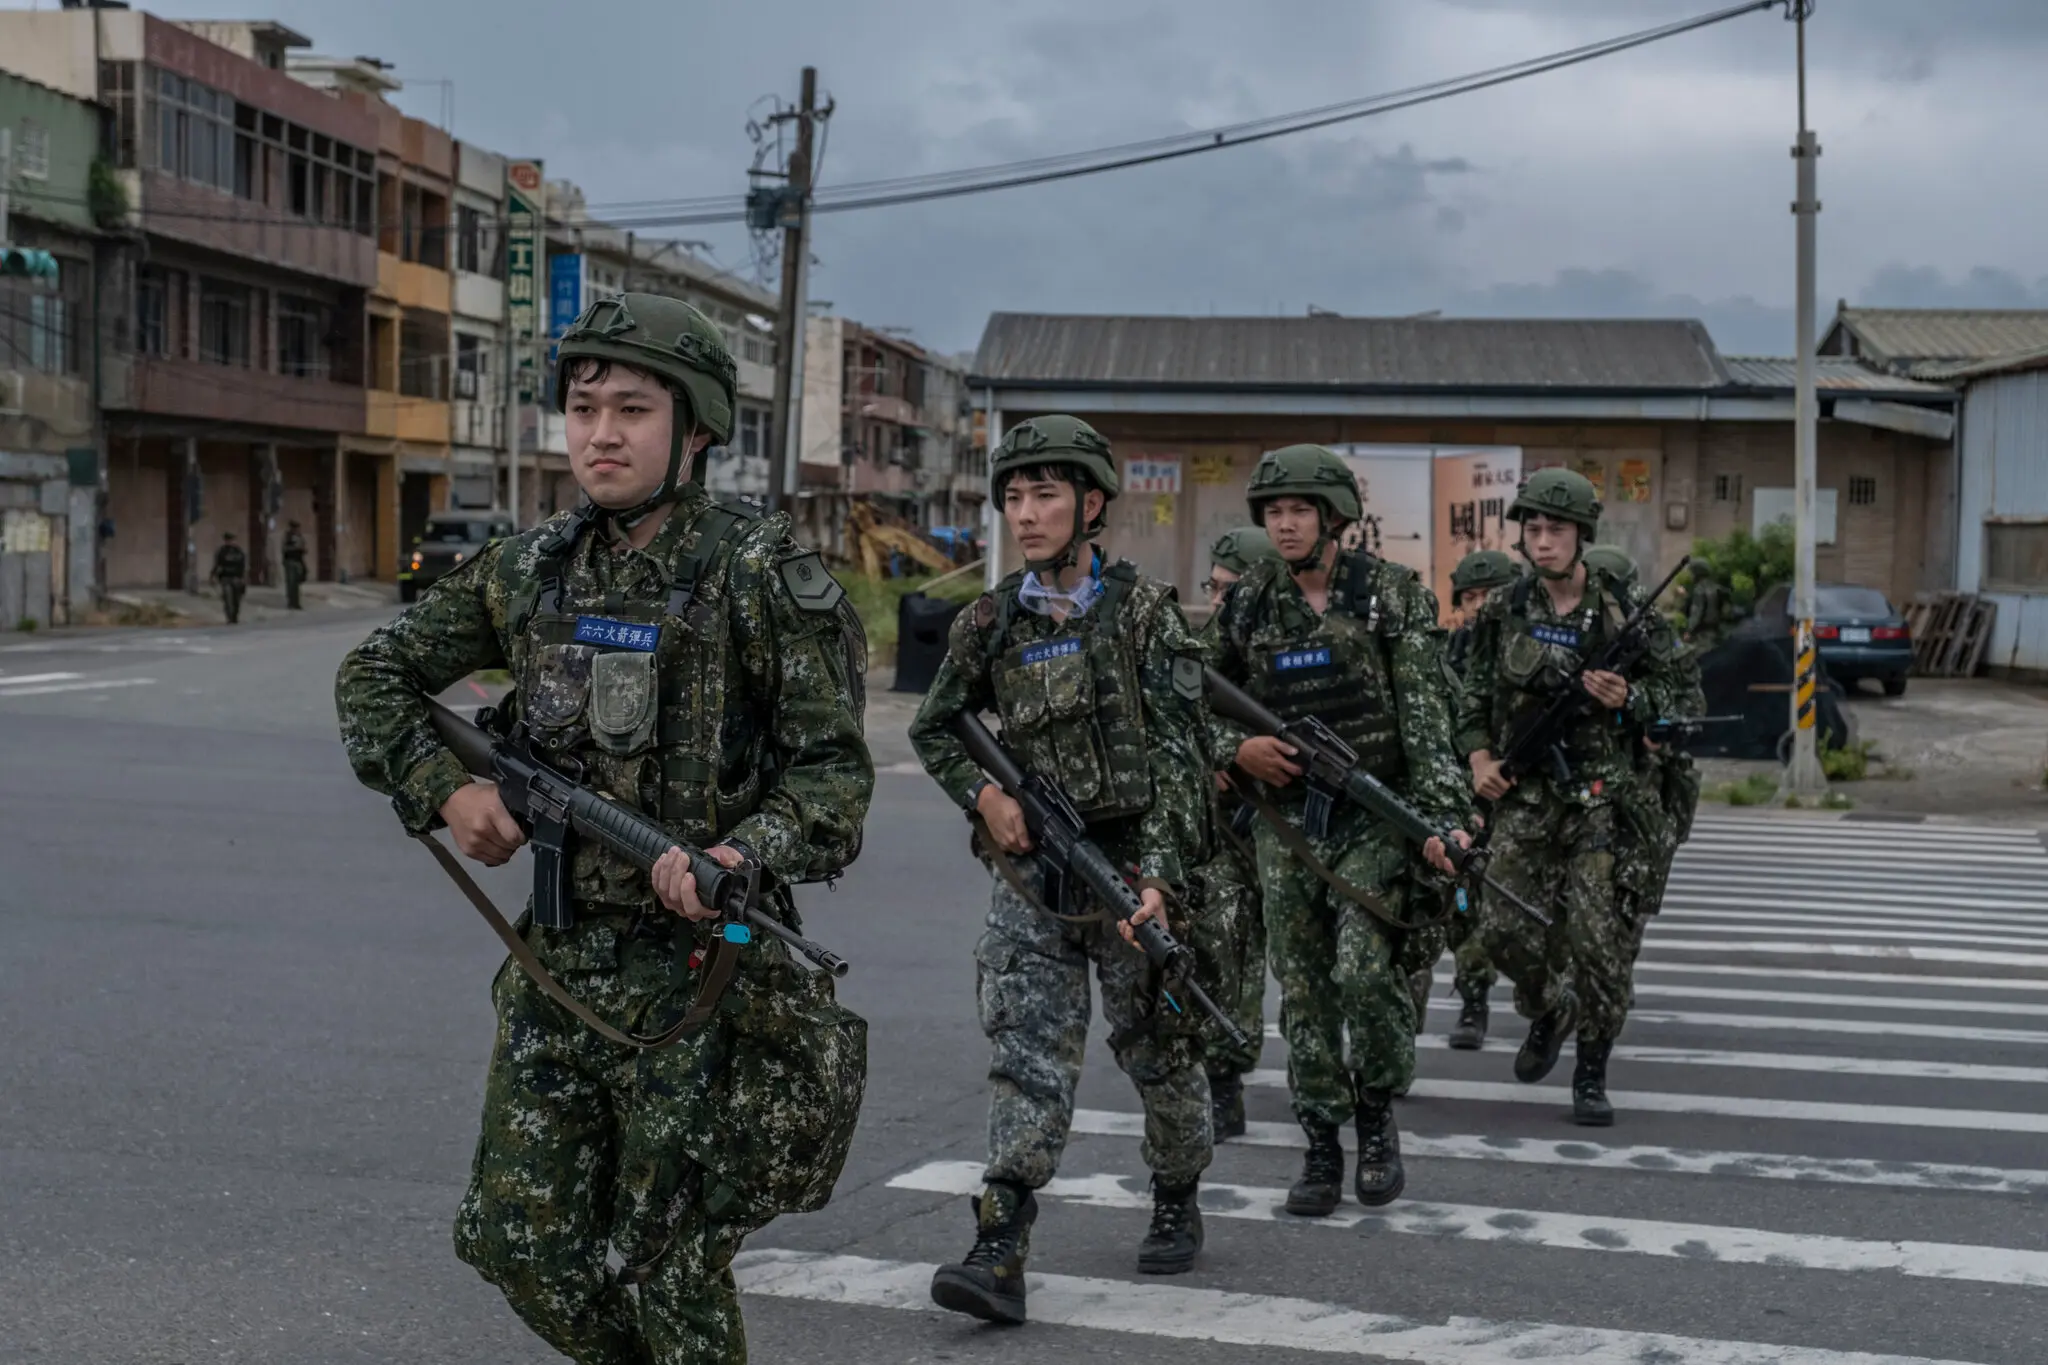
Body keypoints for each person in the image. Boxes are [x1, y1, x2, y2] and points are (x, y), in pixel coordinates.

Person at [333, 292, 874, 1363]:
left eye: (632, 409)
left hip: (702, 974)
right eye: (584, 409)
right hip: (563, 965)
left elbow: (833, 778)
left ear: (697, 428)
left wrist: (739, 854)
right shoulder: (533, 566)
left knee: (667, 1267)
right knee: (517, 1242)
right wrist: (447, 792)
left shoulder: (757, 573)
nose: (601, 434)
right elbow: (374, 674)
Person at [909, 414, 1217, 1320]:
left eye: (1045, 495)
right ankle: (999, 1237)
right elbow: (936, 726)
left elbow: (1182, 760)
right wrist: (985, 797)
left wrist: (1160, 878)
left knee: (1158, 1049)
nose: (1025, 513)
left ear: (1091, 505)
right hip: (1035, 876)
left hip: (1129, 869)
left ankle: (1177, 1190)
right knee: (1026, 1050)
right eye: (1013, 496)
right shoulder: (991, 619)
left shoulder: (1146, 614)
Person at [1207, 445, 1475, 1218]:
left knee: (1362, 969)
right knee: (1304, 986)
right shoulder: (1248, 604)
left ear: (1335, 518)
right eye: (1274, 511)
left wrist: (1441, 821)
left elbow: (1425, 719)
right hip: (1288, 825)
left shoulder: (1392, 595)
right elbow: (1183, 698)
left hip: (1375, 817)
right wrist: (1237, 750)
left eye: (1300, 510)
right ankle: (1321, 1140)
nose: (1285, 524)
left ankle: (1376, 1114)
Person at [1455, 471, 1684, 1126]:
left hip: (1600, 800)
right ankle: (1549, 1007)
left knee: (1597, 942)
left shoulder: (1623, 609)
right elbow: (1470, 696)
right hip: (1525, 796)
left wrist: (1630, 698)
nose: (1542, 540)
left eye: (1555, 528)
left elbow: (1680, 696)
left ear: (1582, 534)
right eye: (1532, 528)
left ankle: (1591, 1069)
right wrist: (1479, 759)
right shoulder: (1504, 608)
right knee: (1498, 930)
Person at [1198, 525, 1283, 1139]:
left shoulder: (1294, 646)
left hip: (1298, 827)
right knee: (1228, 944)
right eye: (1213, 587)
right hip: (1226, 827)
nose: (1217, 601)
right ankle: (1224, 1076)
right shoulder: (1200, 650)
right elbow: (1171, 719)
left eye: (1230, 591)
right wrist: (1227, 752)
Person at [1433, 547, 1519, 1052]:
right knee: (1463, 902)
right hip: (1463, 796)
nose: (1481, 605)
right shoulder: (1444, 656)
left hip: (1525, 797)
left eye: (1492, 595)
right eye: (1472, 596)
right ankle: (1473, 999)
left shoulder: (1534, 657)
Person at [210, 531, 247, 624]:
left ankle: (235, 616)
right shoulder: (222, 552)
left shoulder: (238, 552)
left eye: (231, 540)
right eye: (228, 540)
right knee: (227, 598)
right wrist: (212, 576)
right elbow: (217, 565)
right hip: (226, 578)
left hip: (236, 578)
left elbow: (243, 566)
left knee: (236, 599)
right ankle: (229, 617)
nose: (230, 542)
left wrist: (243, 578)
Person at [281, 520, 308, 610]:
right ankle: (291, 602)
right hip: (290, 561)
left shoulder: (300, 536)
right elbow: (285, 549)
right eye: (295, 528)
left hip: (298, 561)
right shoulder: (287, 537)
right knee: (291, 583)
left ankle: (296, 602)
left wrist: (302, 549)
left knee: (297, 583)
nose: (297, 530)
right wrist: (295, 548)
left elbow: (304, 547)